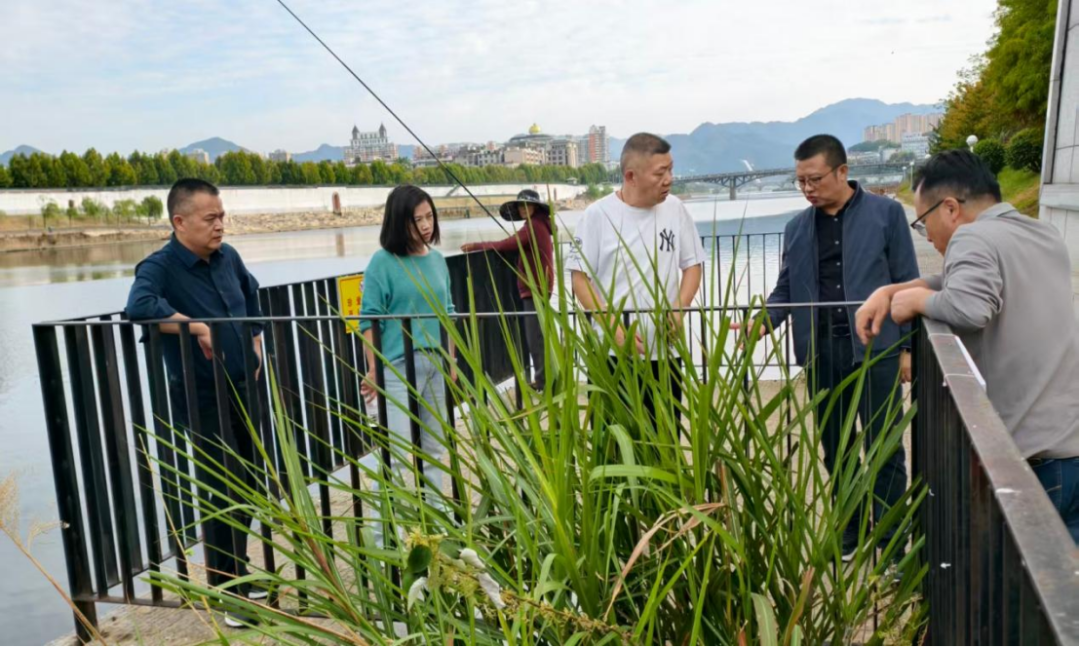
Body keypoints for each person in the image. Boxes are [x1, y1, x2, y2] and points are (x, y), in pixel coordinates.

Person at [856, 149, 1080, 544]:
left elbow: (969, 306)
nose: (928, 237)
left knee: (1016, 579)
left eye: (923, 224)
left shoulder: (971, 237)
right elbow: (959, 281)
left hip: (1034, 462)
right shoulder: (1042, 233)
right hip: (1071, 447)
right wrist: (891, 291)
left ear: (950, 209)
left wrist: (916, 302)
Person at [761, 134, 920, 560]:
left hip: (876, 349)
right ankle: (851, 531)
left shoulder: (886, 214)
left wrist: (907, 349)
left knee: (885, 447)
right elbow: (786, 290)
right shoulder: (796, 228)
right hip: (820, 351)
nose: (807, 188)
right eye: (800, 181)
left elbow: (906, 281)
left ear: (843, 172)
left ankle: (891, 545)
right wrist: (763, 322)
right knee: (837, 449)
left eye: (814, 179)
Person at [125, 178, 267, 627]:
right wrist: (196, 326)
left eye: (222, 216)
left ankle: (237, 573)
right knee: (223, 488)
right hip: (203, 394)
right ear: (180, 221)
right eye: (211, 218)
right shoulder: (161, 266)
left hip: (244, 387)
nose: (220, 225)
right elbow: (139, 305)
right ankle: (229, 593)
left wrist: (256, 344)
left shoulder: (229, 257)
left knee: (251, 482)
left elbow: (251, 295)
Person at [569, 132, 706, 427]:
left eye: (671, 170)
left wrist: (679, 308)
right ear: (631, 176)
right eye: (660, 173)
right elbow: (579, 279)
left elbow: (693, 265)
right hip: (611, 355)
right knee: (614, 442)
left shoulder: (676, 210)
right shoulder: (597, 215)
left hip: (666, 353)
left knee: (666, 438)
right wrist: (613, 327)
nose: (669, 179)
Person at [358, 184, 457, 547]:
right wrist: (374, 369)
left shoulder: (437, 260)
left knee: (433, 452)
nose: (426, 225)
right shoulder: (382, 262)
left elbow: (448, 314)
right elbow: (368, 320)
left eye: (430, 216)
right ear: (400, 222)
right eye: (418, 219)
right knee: (397, 455)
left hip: (435, 363)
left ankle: (437, 533)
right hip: (397, 367)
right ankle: (388, 539)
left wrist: (452, 361)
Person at [461, 189, 554, 391]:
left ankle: (544, 383)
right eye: (520, 206)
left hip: (535, 290)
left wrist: (477, 245)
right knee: (538, 336)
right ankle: (545, 379)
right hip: (540, 288)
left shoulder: (533, 226)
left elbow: (506, 244)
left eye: (527, 205)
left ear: (535, 207)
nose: (523, 209)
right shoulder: (539, 225)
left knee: (535, 338)